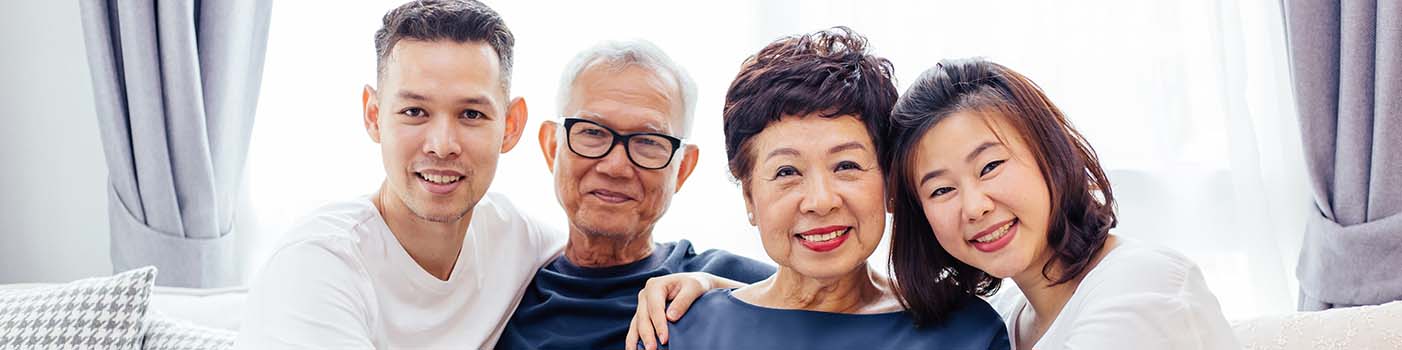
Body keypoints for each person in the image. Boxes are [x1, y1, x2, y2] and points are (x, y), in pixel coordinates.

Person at [638, 27, 1009, 350]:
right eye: (787, 171)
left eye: (846, 165)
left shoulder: (967, 333)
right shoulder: (676, 330)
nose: (820, 201)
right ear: (749, 197)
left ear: (890, 183)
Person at [235, 1, 564, 348]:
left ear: (511, 126)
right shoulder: (317, 265)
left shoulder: (513, 237)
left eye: (470, 114)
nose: (442, 145)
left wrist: (632, 290)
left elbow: (603, 255)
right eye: (414, 111)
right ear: (374, 115)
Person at [884, 57, 1239, 349]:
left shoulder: (1143, 283)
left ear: (1050, 156)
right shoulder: (1004, 318)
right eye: (941, 190)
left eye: (990, 167)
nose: (975, 207)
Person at [494, 39, 776, 350]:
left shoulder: (725, 283)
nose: (616, 167)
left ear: (683, 168)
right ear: (551, 146)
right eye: (592, 132)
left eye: (648, 142)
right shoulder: (501, 294)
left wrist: (720, 290)